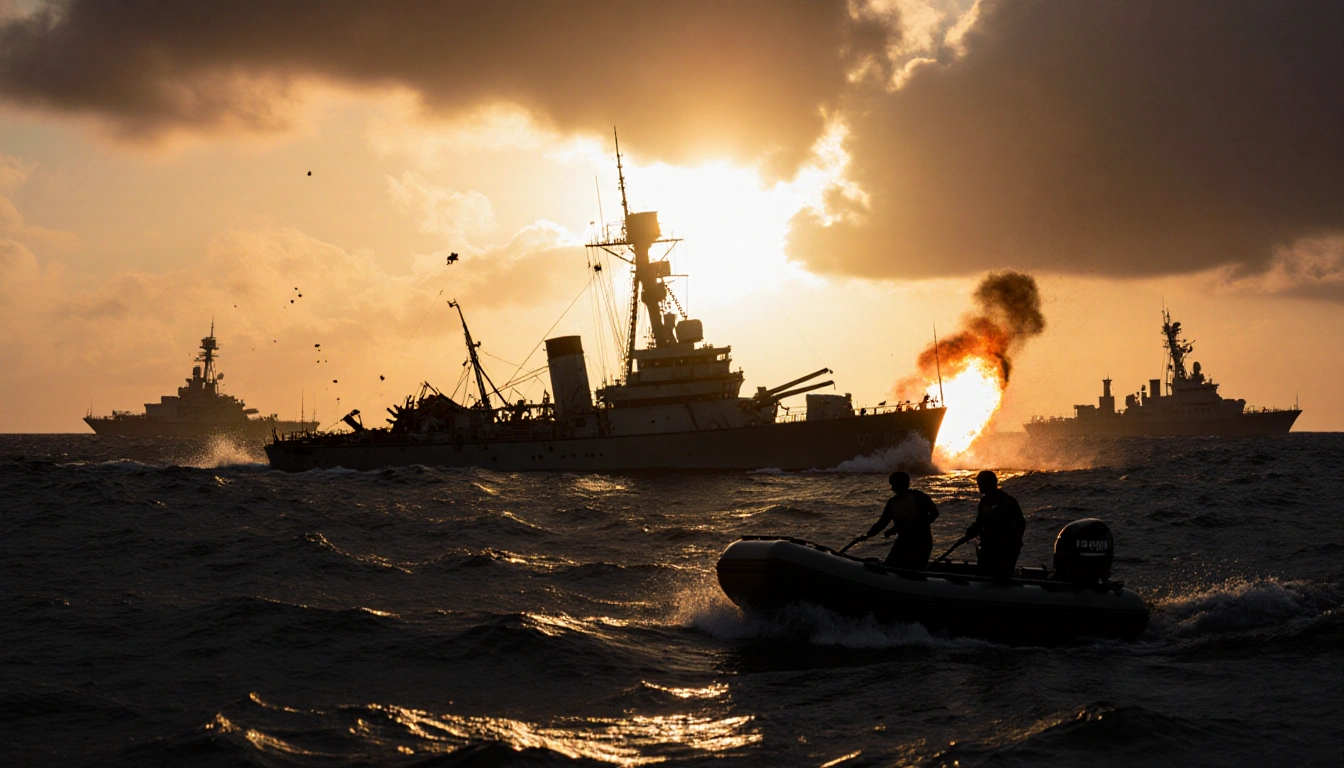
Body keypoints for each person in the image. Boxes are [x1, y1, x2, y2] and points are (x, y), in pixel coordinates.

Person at [863, 471, 939, 570]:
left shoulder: (919, 496)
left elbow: (934, 513)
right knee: (890, 566)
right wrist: (869, 534)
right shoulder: (892, 503)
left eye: (894, 485)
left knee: (916, 569)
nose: (892, 488)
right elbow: (883, 522)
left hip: (922, 540)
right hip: (903, 541)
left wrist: (920, 525)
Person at [966, 470, 1025, 581]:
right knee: (983, 574)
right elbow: (980, 522)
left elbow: (1020, 525)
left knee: (1001, 577)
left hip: (1004, 549)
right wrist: (972, 530)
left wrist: (1008, 542)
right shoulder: (984, 501)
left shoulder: (1007, 501)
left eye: (980, 484)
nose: (978, 487)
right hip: (988, 546)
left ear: (988, 483)